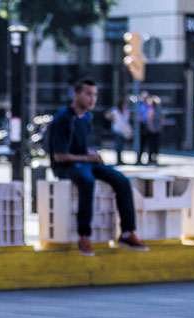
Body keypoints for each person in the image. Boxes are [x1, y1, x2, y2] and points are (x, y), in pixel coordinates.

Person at [49, 79, 149, 256]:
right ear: (76, 94)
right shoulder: (64, 118)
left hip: (84, 161)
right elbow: (59, 155)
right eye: (88, 94)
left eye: (95, 94)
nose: (92, 98)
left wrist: (91, 154)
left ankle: (127, 232)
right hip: (65, 166)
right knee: (87, 182)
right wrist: (86, 157)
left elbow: (79, 147)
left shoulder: (87, 117)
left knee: (121, 180)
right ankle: (84, 236)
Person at [104, 100, 132, 165]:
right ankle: (118, 159)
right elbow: (107, 115)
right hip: (117, 130)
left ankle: (120, 159)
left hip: (124, 131)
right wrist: (113, 119)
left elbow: (127, 121)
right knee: (118, 144)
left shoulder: (126, 111)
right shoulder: (115, 110)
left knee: (122, 145)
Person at [144, 96, 165, 165]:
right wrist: (152, 128)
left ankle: (154, 159)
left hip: (157, 130)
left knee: (155, 145)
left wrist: (160, 127)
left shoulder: (158, 110)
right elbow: (150, 121)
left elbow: (162, 120)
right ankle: (150, 159)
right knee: (152, 145)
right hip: (152, 131)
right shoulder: (152, 110)